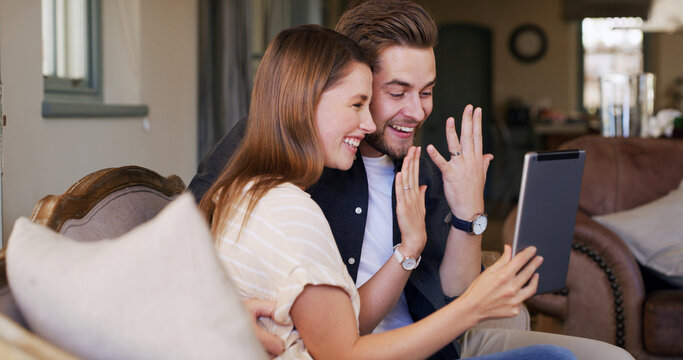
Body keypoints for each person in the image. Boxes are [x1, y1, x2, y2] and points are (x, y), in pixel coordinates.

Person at [190, 2, 634, 359]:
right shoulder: (282, 146)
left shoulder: (424, 164)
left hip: (437, 339)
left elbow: (456, 289)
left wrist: (469, 212)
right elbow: (185, 232)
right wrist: (220, 314)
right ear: (353, 79)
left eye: (427, 92)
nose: (419, 111)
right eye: (397, 93)